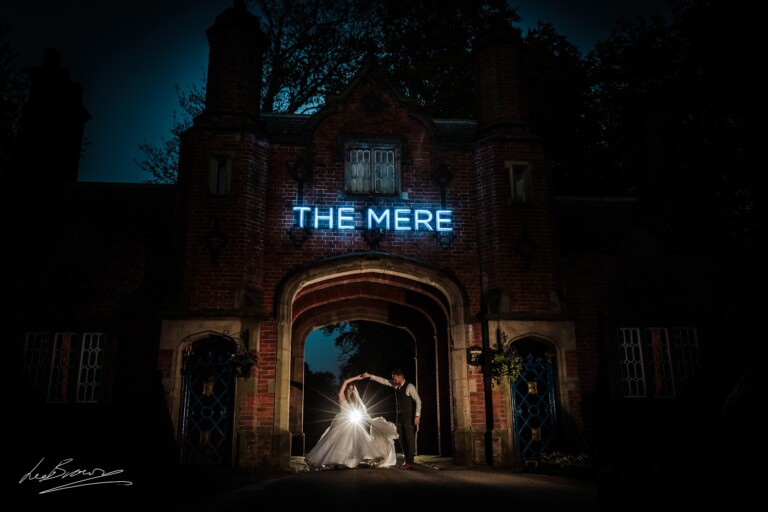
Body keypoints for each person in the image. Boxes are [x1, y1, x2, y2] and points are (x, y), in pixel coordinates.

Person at [305, 374, 398, 470]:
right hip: (343, 421)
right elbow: (345, 382)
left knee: (358, 440)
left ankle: (361, 458)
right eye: (349, 388)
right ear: (346, 389)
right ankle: (337, 460)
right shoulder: (342, 397)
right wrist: (356, 378)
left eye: (352, 389)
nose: (350, 390)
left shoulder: (352, 400)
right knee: (339, 441)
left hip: (352, 422)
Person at [362, 369, 421, 469]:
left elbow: (418, 401)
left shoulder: (409, 387)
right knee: (400, 437)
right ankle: (407, 459)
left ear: (401, 377)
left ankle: (409, 462)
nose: (394, 381)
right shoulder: (396, 385)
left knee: (409, 438)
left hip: (409, 417)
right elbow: (384, 381)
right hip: (400, 416)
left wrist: (417, 415)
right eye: (393, 379)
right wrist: (370, 376)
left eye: (395, 379)